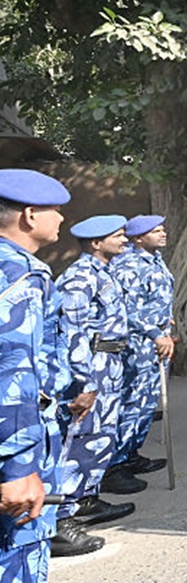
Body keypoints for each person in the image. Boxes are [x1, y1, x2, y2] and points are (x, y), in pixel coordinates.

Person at [0, 169, 73, 581]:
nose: (62, 220)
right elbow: (12, 371)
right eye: (56, 211)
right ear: (29, 215)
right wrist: (18, 467)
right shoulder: (21, 275)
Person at [51, 215, 135, 553]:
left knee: (101, 436)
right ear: (96, 243)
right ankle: (59, 519)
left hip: (110, 364)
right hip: (91, 367)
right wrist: (84, 382)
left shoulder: (106, 272)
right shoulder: (79, 277)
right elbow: (72, 332)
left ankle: (86, 499)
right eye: (117, 236)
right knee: (79, 440)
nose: (125, 240)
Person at [102, 215, 175, 494]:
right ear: (137, 238)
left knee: (146, 404)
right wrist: (155, 332)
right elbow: (128, 310)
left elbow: (154, 298)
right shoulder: (129, 264)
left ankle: (131, 453)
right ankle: (114, 466)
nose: (162, 233)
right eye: (155, 231)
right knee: (132, 403)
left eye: (162, 229)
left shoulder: (154, 259)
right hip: (138, 344)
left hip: (156, 340)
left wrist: (164, 320)